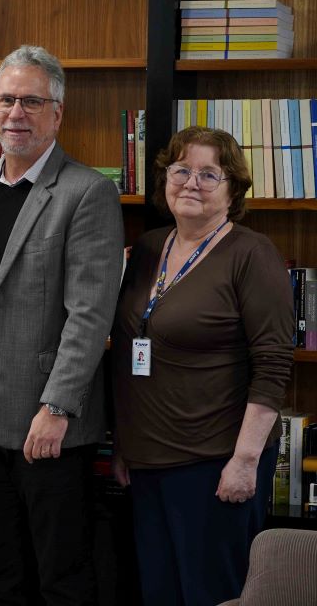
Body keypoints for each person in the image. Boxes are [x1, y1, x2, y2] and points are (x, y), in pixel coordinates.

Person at [0, 45, 124, 604]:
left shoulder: (87, 192)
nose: (15, 113)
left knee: (60, 577)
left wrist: (56, 409)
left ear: (58, 113)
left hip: (47, 425)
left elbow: (90, 316)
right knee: (0, 571)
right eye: (5, 100)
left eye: (30, 101)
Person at [111, 126, 293, 606]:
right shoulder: (148, 248)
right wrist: (126, 446)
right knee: (159, 592)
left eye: (209, 174)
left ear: (233, 190)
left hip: (216, 463)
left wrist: (245, 461)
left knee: (212, 594)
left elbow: (273, 365)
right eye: (181, 169)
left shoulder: (252, 255)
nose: (191, 182)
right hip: (147, 463)